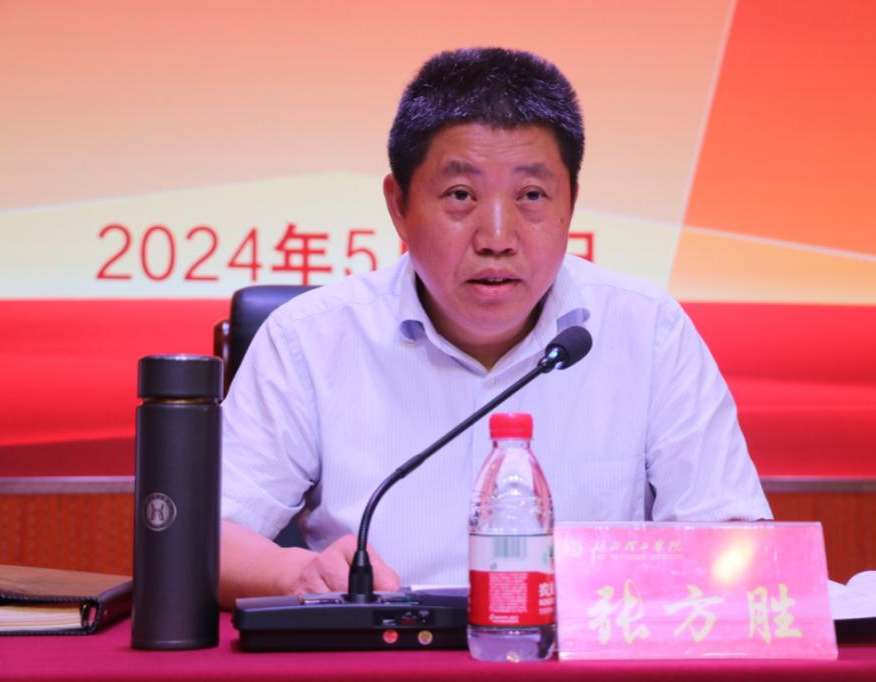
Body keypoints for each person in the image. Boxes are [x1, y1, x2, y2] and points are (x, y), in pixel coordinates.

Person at [219, 47, 771, 608]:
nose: (497, 238)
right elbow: (204, 535)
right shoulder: (309, 340)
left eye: (531, 196)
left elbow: (733, 541)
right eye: (461, 196)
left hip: (574, 650)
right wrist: (299, 573)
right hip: (385, 649)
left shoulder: (648, 332)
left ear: (571, 204)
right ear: (399, 205)